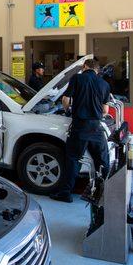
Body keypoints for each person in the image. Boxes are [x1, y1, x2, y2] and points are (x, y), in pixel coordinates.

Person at [50, 58, 111, 203]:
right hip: (96, 127)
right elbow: (105, 110)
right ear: (97, 70)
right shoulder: (104, 84)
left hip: (80, 126)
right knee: (102, 160)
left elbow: (66, 99)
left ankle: (66, 193)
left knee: (73, 159)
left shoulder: (77, 78)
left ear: (84, 66)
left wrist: (67, 110)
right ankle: (102, 192)